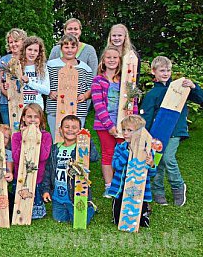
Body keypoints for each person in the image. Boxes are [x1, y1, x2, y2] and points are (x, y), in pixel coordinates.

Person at [141, 56, 203, 206]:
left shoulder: (179, 87)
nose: (165, 73)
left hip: (176, 130)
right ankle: (158, 191)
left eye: (168, 70)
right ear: (153, 72)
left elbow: (201, 99)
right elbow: (147, 116)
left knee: (168, 158)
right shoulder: (151, 94)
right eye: (162, 70)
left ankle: (178, 186)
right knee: (157, 161)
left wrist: (193, 86)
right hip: (157, 133)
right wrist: (146, 136)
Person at [91, 46, 137, 197]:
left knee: (124, 153)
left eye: (115, 58)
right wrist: (109, 126)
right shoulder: (98, 80)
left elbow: (132, 101)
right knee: (108, 154)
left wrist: (133, 123)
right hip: (104, 125)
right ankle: (109, 186)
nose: (111, 60)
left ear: (119, 60)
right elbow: (98, 105)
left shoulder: (126, 80)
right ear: (103, 61)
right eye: (108, 57)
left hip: (125, 126)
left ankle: (122, 184)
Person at [40, 115, 96, 225]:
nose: (70, 129)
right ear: (60, 130)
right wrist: (46, 190)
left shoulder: (80, 149)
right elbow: (47, 171)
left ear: (80, 131)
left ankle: (90, 208)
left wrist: (87, 141)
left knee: (79, 221)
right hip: (58, 197)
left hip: (75, 195)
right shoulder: (55, 148)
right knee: (59, 219)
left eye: (74, 127)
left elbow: (94, 157)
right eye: (66, 127)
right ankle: (63, 206)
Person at [107, 115, 155, 228]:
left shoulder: (147, 149)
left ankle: (144, 213)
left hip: (139, 189)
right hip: (121, 187)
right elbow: (115, 165)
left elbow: (152, 173)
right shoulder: (120, 147)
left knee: (141, 215)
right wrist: (127, 153)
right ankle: (117, 216)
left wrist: (151, 164)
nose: (125, 133)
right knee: (118, 217)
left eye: (129, 130)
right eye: (124, 130)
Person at [46, 34, 93, 139]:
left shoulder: (85, 68)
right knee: (57, 139)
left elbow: (91, 88)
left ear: (77, 48)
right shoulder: (51, 65)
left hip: (78, 111)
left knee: (74, 140)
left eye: (73, 47)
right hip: (55, 109)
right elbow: (44, 84)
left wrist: (85, 96)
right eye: (66, 47)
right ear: (61, 48)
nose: (69, 50)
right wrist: (49, 92)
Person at [10, 104, 52, 220]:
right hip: (20, 177)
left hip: (38, 177)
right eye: (29, 116)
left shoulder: (46, 136)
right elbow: (17, 158)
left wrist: (36, 138)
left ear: (41, 119)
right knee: (20, 204)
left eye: (36, 116)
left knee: (35, 213)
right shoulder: (16, 136)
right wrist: (24, 138)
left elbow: (43, 156)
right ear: (23, 118)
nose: (32, 120)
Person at [0, 28, 27, 125]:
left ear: (23, 42)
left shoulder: (28, 59)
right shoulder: (4, 60)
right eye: (11, 42)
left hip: (25, 101)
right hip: (6, 102)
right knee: (9, 132)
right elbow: (0, 81)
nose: (13, 44)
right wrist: (8, 93)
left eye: (16, 41)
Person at [18, 36, 50, 108]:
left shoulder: (42, 67)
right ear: (24, 50)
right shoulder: (17, 66)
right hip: (20, 107)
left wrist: (29, 82)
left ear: (39, 53)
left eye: (35, 51)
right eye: (29, 49)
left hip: (37, 107)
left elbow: (47, 91)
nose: (32, 53)